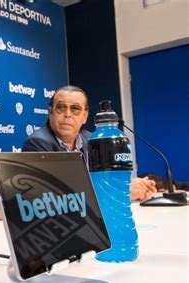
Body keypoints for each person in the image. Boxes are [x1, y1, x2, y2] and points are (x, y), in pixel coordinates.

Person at [22, 85, 156, 201]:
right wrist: (121, 192)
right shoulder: (37, 143)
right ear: (50, 113)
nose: (68, 114)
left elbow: (107, 179)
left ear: (84, 117)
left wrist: (135, 186)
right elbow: (57, 193)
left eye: (75, 109)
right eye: (61, 108)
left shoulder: (92, 139)